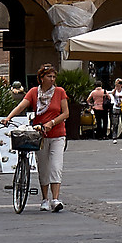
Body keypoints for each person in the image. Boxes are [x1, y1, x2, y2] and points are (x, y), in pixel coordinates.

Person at [12, 73, 71, 211]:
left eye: (54, 77)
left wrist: (52, 122)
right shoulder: (34, 92)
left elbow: (65, 113)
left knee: (56, 166)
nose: (52, 79)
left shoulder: (60, 92)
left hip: (58, 134)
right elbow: (22, 106)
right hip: (40, 135)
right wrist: (8, 117)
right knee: (43, 167)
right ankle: (45, 199)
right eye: (49, 76)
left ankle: (55, 199)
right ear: (41, 78)